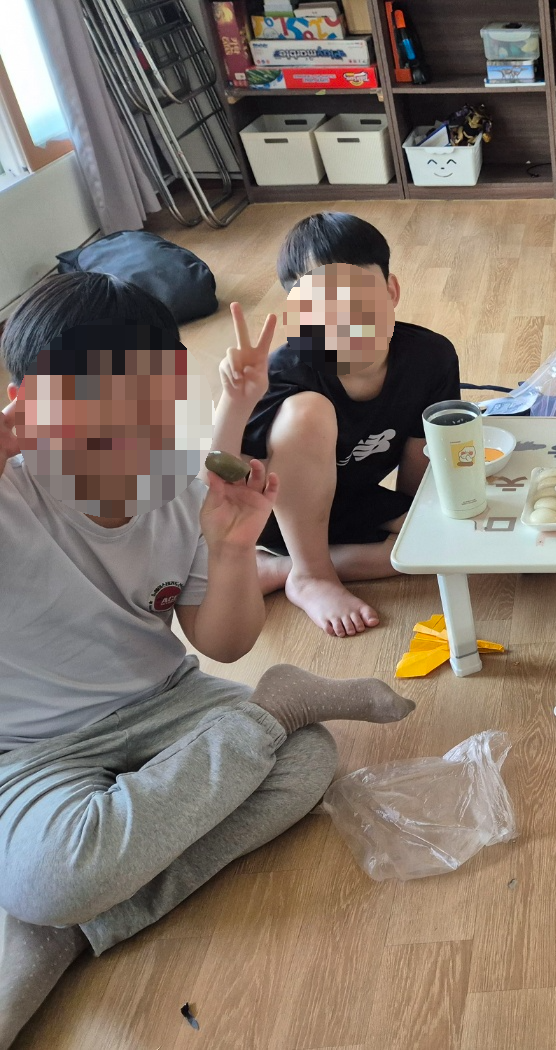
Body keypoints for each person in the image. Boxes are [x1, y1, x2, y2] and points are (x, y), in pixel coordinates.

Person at [0, 272, 417, 1047]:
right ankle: (86, 916)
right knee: (53, 880)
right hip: (33, 751)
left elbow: (223, 644)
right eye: (89, 413)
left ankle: (77, 920)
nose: (124, 439)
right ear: (28, 409)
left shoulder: (184, 486)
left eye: (143, 407)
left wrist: (229, 551)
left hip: (171, 701)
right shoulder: (10, 490)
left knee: (309, 765)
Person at [238, 212, 462, 638]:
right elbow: (234, 474)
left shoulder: (430, 357)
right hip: (283, 515)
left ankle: (277, 570)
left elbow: (420, 455)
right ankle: (310, 575)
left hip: (352, 497)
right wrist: (232, 403)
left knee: (434, 544)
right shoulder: (283, 371)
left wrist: (415, 517)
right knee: (308, 412)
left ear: (391, 291)